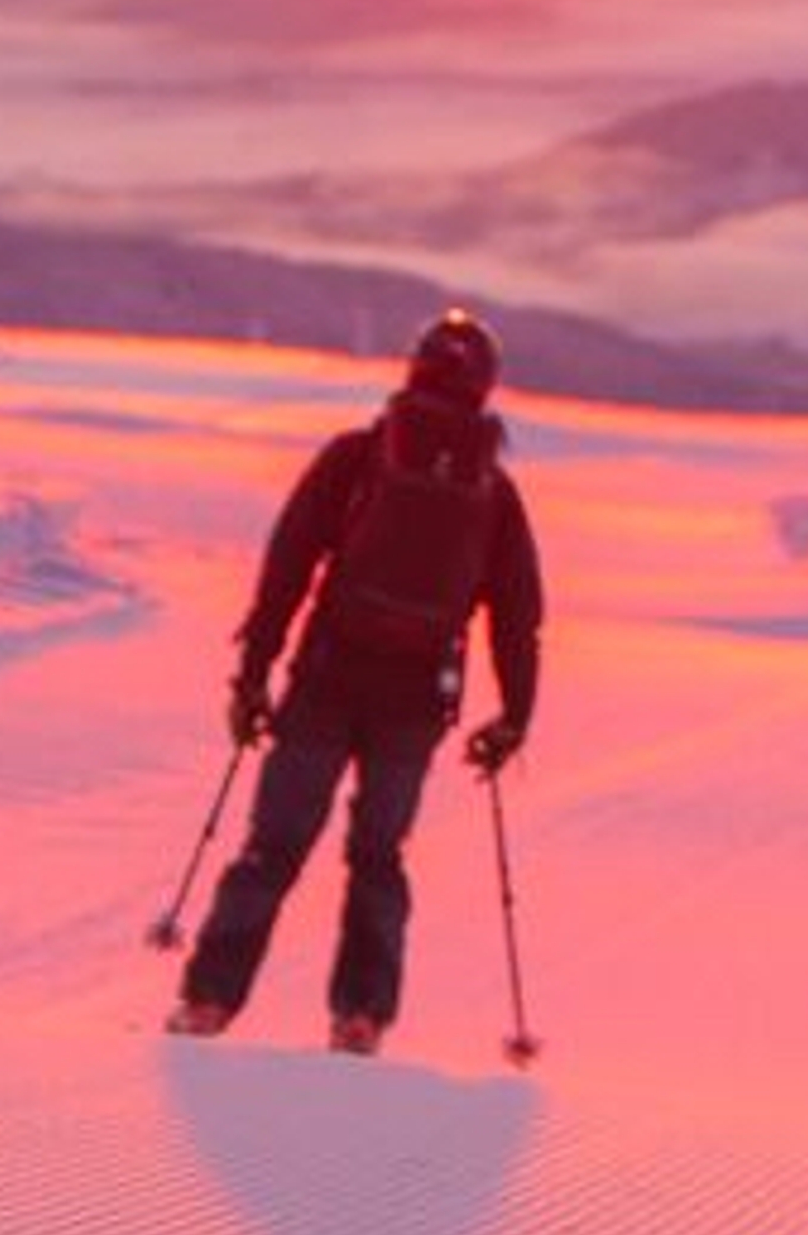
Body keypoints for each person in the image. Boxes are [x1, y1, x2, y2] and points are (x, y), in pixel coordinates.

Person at [169, 308, 543, 1054]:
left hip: (327, 678)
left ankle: (209, 1001)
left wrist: (252, 675)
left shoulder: (357, 458)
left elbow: (287, 569)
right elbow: (516, 618)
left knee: (273, 846)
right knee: (378, 854)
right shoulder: (493, 494)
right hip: (414, 703)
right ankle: (361, 1016)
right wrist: (514, 719)